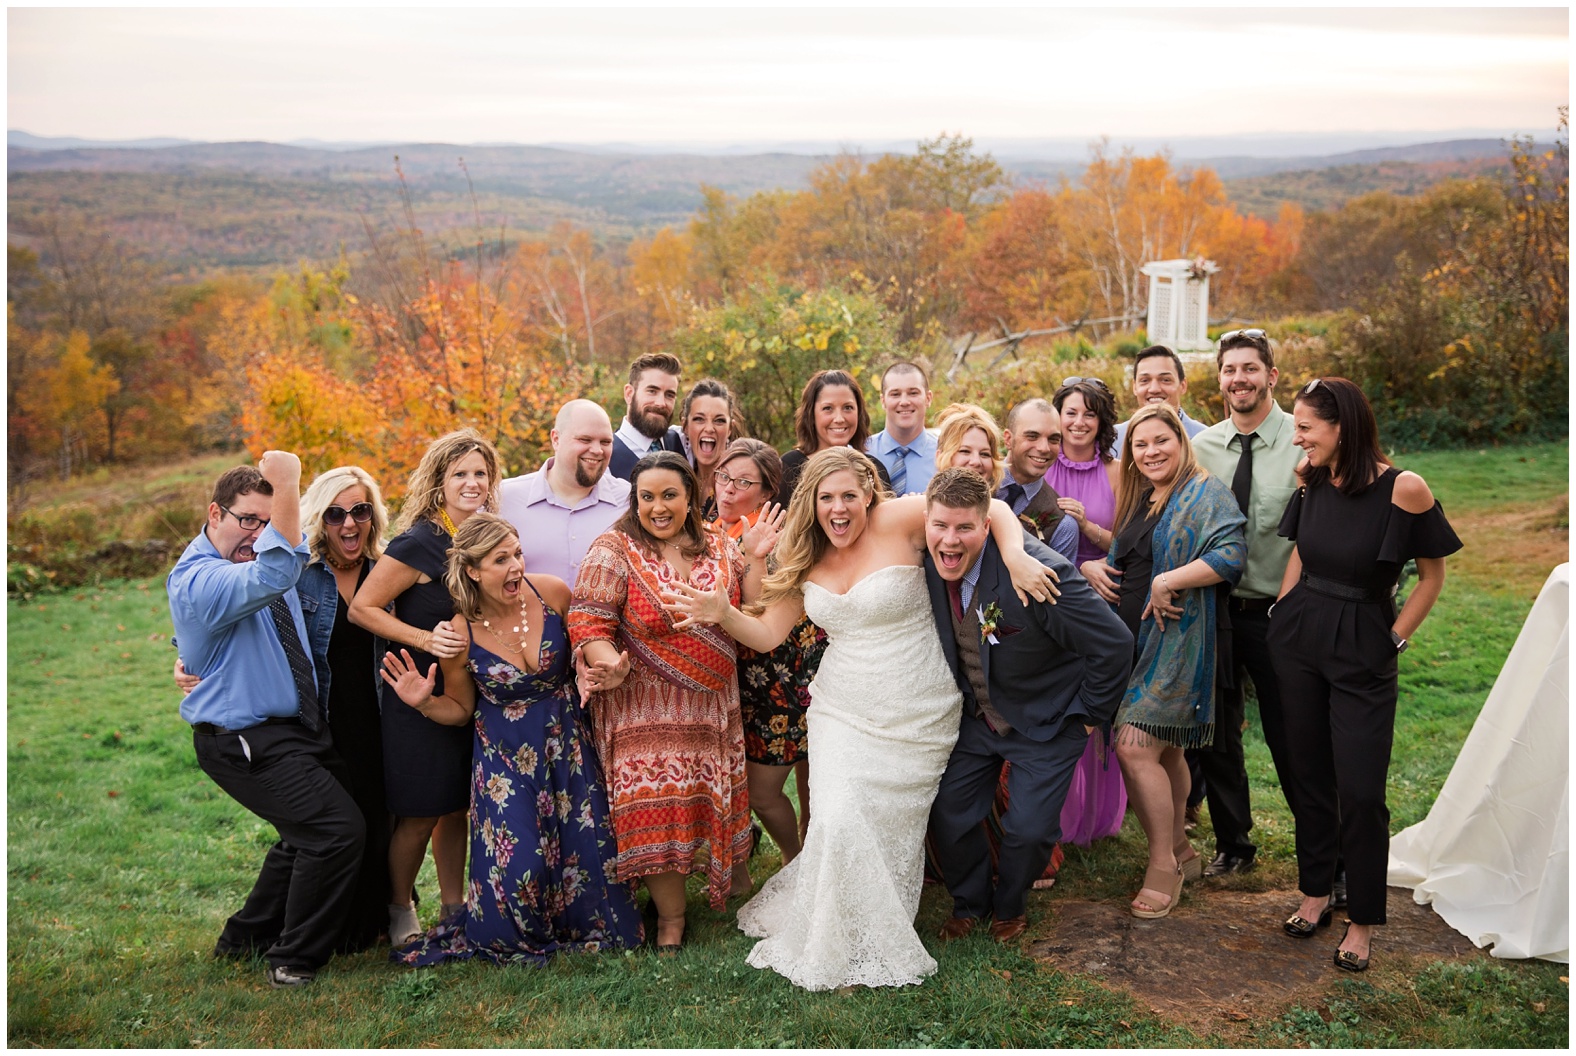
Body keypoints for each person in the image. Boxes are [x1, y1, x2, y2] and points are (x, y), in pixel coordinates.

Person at [661, 446, 1059, 992]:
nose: (839, 508)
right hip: (841, 708)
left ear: (870, 493)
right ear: (813, 503)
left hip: (918, 708)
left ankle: (874, 920)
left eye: (850, 494)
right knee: (838, 818)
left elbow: (987, 509)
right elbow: (769, 633)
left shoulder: (900, 519)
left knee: (886, 825)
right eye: (827, 498)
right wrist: (724, 613)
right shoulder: (804, 556)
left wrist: (1013, 554)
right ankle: (838, 940)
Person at [380, 514, 645, 966]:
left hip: (567, 748)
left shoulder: (553, 593)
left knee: (587, 858)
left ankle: (579, 925)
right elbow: (461, 710)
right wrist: (424, 702)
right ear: (472, 571)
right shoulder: (460, 632)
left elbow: (590, 648)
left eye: (517, 553)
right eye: (500, 559)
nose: (516, 567)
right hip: (504, 761)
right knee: (522, 865)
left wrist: (606, 671)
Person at [1268, 377, 1460, 972]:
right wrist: (1282, 608)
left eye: (1305, 428)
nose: (1296, 438)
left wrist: (1395, 638)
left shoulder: (1405, 488)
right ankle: (1317, 890)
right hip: (1300, 636)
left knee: (1361, 788)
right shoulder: (1312, 477)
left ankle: (1364, 921)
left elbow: (1432, 576)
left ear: (1341, 428)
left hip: (1363, 641)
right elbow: (1299, 547)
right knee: (1308, 774)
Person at [176, 464, 396, 953]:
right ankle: (298, 953)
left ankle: (244, 938)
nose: (257, 534)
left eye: (266, 522)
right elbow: (219, 602)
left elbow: (235, 616)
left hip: (307, 726)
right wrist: (187, 653)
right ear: (216, 513)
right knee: (335, 831)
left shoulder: (373, 568)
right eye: (248, 520)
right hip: (251, 734)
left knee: (308, 834)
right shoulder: (269, 572)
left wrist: (191, 650)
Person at [566, 452, 773, 953]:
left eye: (669, 496)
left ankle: (726, 880)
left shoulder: (721, 545)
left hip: (711, 711)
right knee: (654, 810)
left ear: (690, 497)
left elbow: (752, 606)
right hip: (644, 711)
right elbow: (588, 619)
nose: (658, 507)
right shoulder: (613, 549)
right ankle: (670, 921)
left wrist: (758, 555)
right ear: (634, 501)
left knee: (701, 804)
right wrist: (606, 661)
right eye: (647, 497)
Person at [922, 469, 1132, 943]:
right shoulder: (928, 551)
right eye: (940, 526)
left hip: (1050, 718)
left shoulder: (1037, 571)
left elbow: (1115, 644)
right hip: (980, 718)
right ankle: (969, 902)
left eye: (964, 528)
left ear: (986, 526)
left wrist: (1085, 719)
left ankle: (1010, 906)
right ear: (926, 521)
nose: (949, 540)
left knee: (1029, 829)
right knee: (949, 810)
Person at [1082, 405, 1246, 918]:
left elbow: (1231, 554)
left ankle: (1162, 866)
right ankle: (1181, 849)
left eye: (1161, 441)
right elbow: (1127, 557)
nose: (1151, 452)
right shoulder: (1143, 498)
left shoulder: (1205, 491)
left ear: (1182, 440)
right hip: (1128, 644)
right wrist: (1094, 565)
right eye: (1140, 444)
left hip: (1176, 642)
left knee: (1134, 747)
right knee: (1167, 753)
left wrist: (1169, 581)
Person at [349, 429, 501, 944]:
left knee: (456, 804)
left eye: (480, 473)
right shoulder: (420, 542)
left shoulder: (485, 536)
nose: (471, 482)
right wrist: (422, 638)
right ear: (438, 482)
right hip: (418, 692)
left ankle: (455, 907)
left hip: (473, 694)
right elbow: (362, 608)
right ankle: (399, 910)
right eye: (459, 473)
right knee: (418, 812)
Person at [1190, 329, 1301, 880]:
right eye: (1230, 370)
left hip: (1279, 612)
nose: (1240, 379)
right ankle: (1233, 842)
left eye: (1250, 369)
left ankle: (1323, 853)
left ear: (1271, 376)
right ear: (1220, 380)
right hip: (1214, 610)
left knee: (1293, 733)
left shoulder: (1303, 442)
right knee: (1215, 731)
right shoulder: (1203, 448)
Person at [712, 439, 812, 865]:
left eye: (743, 482)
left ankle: (795, 858)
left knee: (762, 792)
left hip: (779, 678)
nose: (728, 489)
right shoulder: (711, 527)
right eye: (723, 477)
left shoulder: (779, 535)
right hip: (734, 677)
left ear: (768, 492)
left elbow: (757, 608)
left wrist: (753, 555)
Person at [1044, 377, 1128, 847]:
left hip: (1103, 596)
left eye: (1088, 414)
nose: (1078, 422)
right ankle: (1053, 814)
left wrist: (1091, 535)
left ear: (1102, 421)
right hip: (1051, 598)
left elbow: (1133, 546)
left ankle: (1091, 813)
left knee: (1094, 709)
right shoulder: (1039, 467)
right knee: (1058, 705)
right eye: (1069, 412)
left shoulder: (1118, 473)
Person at [498, 399, 631, 587]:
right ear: (556, 439)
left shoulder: (630, 500)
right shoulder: (504, 498)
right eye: (585, 439)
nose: (596, 450)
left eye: (605, 442)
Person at [778, 369, 892, 508]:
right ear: (811, 414)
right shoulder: (790, 467)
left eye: (848, 408)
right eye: (828, 408)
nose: (839, 418)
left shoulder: (874, 469)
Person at [1000, 398, 1081, 563]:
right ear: (1008, 439)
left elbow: (1060, 585)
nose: (1044, 448)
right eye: (1032, 436)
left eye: (1053, 439)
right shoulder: (977, 482)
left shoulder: (1063, 524)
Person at [1113, 344, 1209, 452]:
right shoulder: (1113, 440)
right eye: (1145, 380)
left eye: (1165, 380)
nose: (1154, 389)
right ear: (1134, 387)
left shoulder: (1205, 440)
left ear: (1183, 386)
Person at [865, 361, 937, 496]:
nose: (904, 402)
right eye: (895, 394)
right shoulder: (860, 451)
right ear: (883, 401)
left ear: (928, 398)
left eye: (913, 393)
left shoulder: (945, 454)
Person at [609, 353, 686, 480]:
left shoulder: (680, 442)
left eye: (669, 395)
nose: (661, 403)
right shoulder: (606, 456)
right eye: (652, 391)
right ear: (629, 394)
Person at [679, 377, 736, 519]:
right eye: (699, 419)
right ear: (685, 427)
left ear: (730, 429)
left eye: (719, 421)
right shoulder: (679, 480)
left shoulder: (738, 484)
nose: (709, 428)